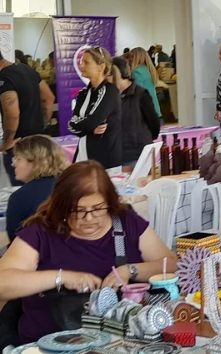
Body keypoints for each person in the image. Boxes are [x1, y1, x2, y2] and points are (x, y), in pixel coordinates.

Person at [0, 160, 177, 344]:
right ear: (61, 206)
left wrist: (130, 270)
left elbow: (170, 264)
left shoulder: (126, 223)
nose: (89, 218)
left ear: (110, 202)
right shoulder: (41, 232)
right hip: (50, 343)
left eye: (98, 209)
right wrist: (61, 278)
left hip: (120, 343)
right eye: (78, 211)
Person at [0, 55, 55, 186]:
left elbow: (12, 113)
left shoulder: (4, 78)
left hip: (20, 147)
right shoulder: (27, 69)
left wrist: (7, 142)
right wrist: (43, 124)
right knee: (45, 188)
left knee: (23, 192)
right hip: (40, 141)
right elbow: (49, 98)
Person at [5, 135, 68, 243]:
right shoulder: (72, 184)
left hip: (40, 256)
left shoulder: (20, 198)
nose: (13, 163)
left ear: (35, 162)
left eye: (18, 158)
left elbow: (16, 242)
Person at [69, 46, 122, 170]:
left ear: (101, 67)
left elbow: (95, 119)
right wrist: (90, 129)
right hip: (83, 155)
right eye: (81, 62)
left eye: (86, 62)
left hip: (105, 159)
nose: (81, 65)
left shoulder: (110, 91)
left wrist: (83, 125)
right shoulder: (83, 93)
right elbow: (71, 125)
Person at [111, 57, 160, 167]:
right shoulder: (110, 96)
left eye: (110, 74)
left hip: (137, 154)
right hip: (115, 155)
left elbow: (154, 123)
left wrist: (139, 138)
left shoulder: (141, 94)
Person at [127, 47, 162, 120]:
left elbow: (138, 93)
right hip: (155, 107)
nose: (129, 59)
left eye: (130, 57)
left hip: (144, 110)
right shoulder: (149, 70)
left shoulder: (136, 71)